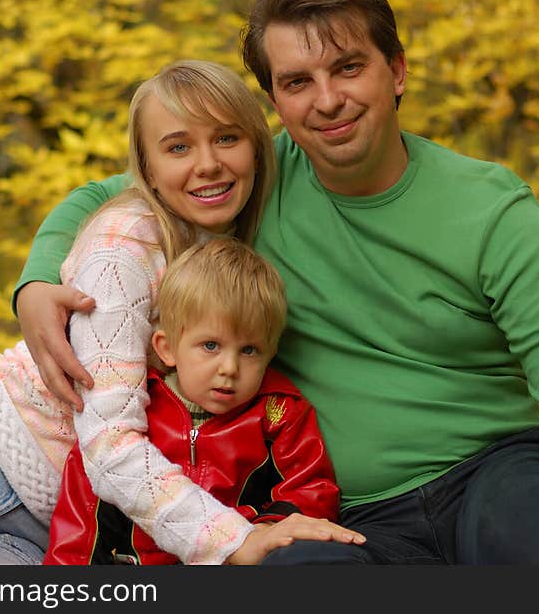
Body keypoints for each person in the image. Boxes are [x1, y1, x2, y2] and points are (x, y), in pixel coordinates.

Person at [14, 0, 539, 565]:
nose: (327, 100)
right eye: (297, 82)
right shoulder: (254, 179)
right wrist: (40, 281)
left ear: (398, 70)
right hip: (346, 512)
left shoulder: (491, 210)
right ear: (275, 104)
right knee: (295, 582)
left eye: (348, 67)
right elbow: (108, 193)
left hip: (495, 473)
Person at [0, 59, 362, 565]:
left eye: (227, 138)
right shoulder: (122, 250)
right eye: (178, 147)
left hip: (42, 517)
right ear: (149, 171)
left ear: (256, 147)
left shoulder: (233, 245)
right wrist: (232, 541)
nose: (208, 163)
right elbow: (110, 443)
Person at [45, 237, 343, 565]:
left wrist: (264, 533)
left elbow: (311, 490)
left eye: (249, 350)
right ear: (167, 348)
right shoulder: (133, 419)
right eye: (211, 346)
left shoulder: (279, 413)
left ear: (270, 354)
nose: (229, 369)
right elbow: (82, 524)